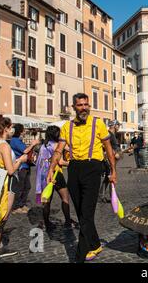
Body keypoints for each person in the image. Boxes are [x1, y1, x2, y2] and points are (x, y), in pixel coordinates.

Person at [46, 93, 117, 263]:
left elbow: (108, 149)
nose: (84, 108)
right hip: (74, 168)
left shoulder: (98, 124)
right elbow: (58, 150)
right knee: (80, 211)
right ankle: (95, 244)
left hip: (93, 168)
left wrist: (113, 171)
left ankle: (79, 257)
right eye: (80, 105)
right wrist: (51, 169)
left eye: (86, 104)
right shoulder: (67, 127)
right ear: (74, 107)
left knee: (86, 213)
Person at [0, 115, 28, 263]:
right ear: (5, 128)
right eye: (10, 127)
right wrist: (21, 160)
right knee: (0, 218)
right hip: (5, 185)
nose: (12, 130)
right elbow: (10, 170)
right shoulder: (4, 146)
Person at [36, 126, 78, 231]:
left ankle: (46, 223)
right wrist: (73, 163)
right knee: (65, 198)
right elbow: (61, 162)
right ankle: (68, 221)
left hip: (43, 175)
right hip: (55, 174)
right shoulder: (56, 145)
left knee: (46, 201)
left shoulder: (43, 146)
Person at [10, 124, 40, 214]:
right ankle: (16, 207)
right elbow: (25, 151)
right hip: (20, 167)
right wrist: (32, 144)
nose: (24, 132)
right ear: (20, 131)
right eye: (23, 130)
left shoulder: (19, 140)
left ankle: (22, 204)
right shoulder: (15, 141)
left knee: (27, 187)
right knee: (20, 187)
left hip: (26, 166)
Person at [100, 120, 122, 203]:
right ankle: (112, 197)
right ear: (114, 125)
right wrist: (113, 152)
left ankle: (101, 196)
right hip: (109, 159)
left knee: (107, 178)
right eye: (118, 125)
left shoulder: (112, 134)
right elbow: (104, 144)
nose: (119, 127)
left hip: (112, 159)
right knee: (111, 177)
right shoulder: (109, 134)